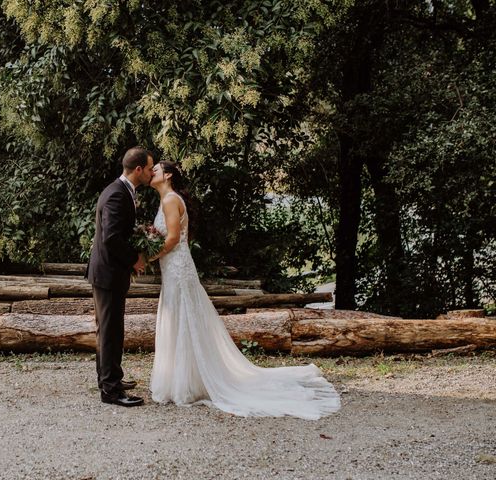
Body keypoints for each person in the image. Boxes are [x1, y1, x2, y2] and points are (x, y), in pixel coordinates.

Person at [147, 161, 341, 419]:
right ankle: (184, 379)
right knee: (181, 317)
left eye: (156, 169)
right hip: (175, 267)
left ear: (168, 175)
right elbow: (178, 237)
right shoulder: (168, 200)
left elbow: (172, 239)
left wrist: (150, 255)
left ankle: (187, 383)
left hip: (178, 269)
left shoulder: (171, 200)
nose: (152, 173)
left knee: (184, 318)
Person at [86, 146, 154, 407]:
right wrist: (134, 258)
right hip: (108, 273)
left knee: (108, 330)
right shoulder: (117, 194)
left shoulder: (121, 190)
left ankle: (109, 378)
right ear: (138, 169)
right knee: (110, 331)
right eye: (149, 168)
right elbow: (111, 237)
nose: (150, 173)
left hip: (108, 272)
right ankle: (111, 391)